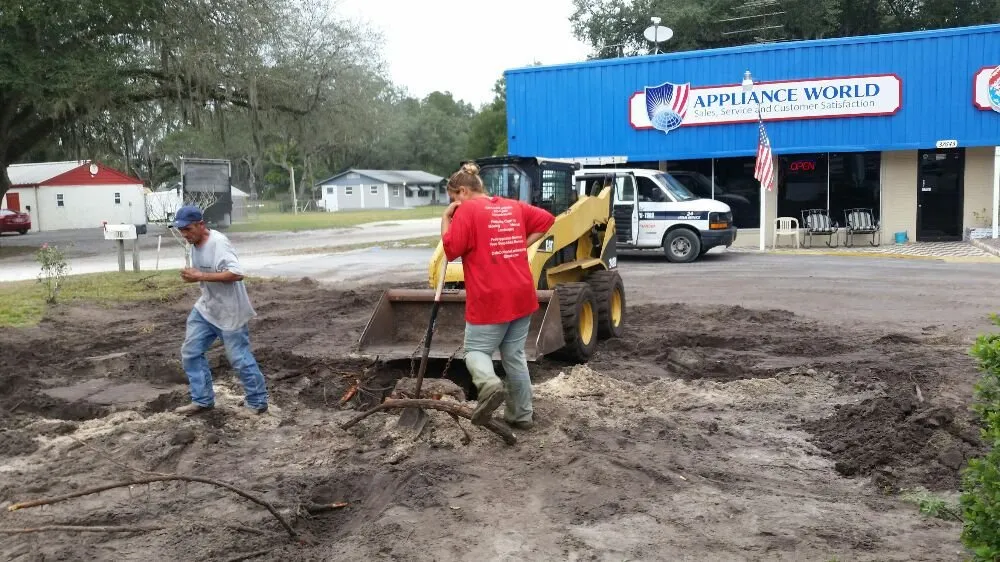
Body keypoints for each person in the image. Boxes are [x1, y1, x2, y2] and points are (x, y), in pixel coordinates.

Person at [440, 162, 556, 430]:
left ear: (463, 191)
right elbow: (548, 220)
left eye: (452, 198)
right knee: (514, 355)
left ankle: (490, 385)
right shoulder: (512, 206)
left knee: (475, 351)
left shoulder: (467, 210)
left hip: (490, 296)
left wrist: (447, 218)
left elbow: (451, 250)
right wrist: (519, 245)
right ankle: (521, 415)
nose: (453, 204)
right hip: (522, 293)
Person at [170, 206, 269, 416]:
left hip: (231, 311)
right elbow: (203, 273)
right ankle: (203, 400)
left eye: (187, 229)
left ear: (201, 225)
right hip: (207, 308)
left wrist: (199, 276)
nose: (184, 234)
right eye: (181, 231)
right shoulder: (194, 244)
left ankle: (258, 402)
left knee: (239, 359)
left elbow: (236, 273)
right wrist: (194, 277)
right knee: (191, 352)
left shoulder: (219, 243)